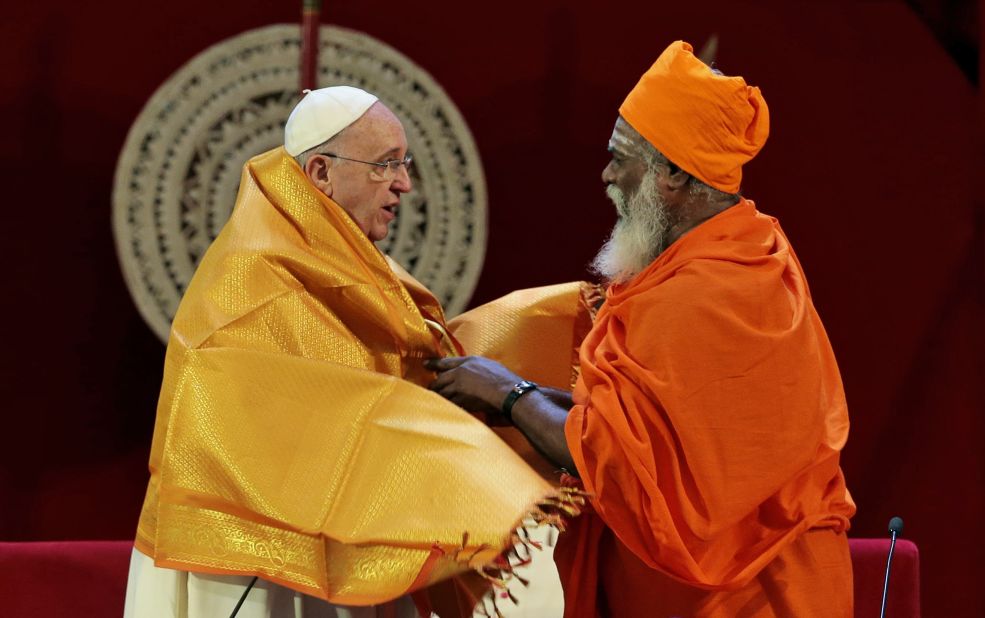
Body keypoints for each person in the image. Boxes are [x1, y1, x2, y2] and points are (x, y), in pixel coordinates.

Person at [428, 41, 857, 616]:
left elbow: (616, 461)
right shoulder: (753, 248)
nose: (606, 175)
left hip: (749, 600)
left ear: (674, 173)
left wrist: (510, 395)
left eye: (620, 157)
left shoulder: (700, 295)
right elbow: (641, 428)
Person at [123, 86, 570, 618]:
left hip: (350, 546)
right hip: (250, 566)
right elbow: (267, 427)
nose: (404, 183)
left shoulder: (358, 264)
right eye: (384, 165)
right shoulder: (250, 277)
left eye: (403, 163)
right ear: (320, 174)